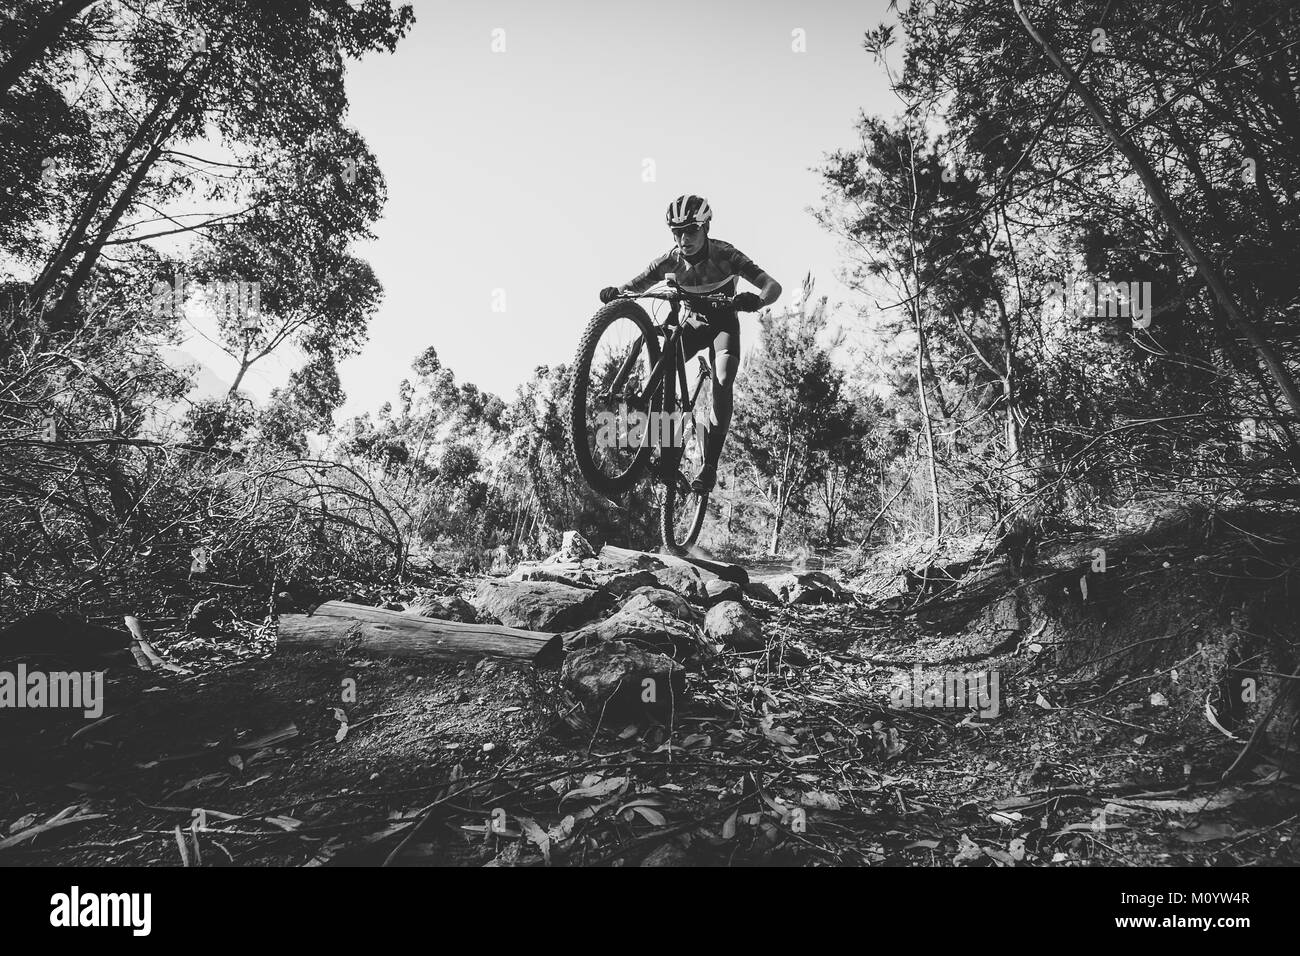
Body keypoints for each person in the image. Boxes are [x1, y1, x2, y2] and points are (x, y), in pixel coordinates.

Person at [599, 194, 781, 493]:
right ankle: (654, 433)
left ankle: (709, 466)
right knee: (661, 364)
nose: (683, 239)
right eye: (676, 232)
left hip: (724, 325)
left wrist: (757, 301)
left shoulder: (726, 254)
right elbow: (634, 286)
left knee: (723, 378)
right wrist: (615, 292)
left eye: (690, 231)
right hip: (694, 324)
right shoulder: (670, 261)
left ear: (706, 227)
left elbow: (773, 286)